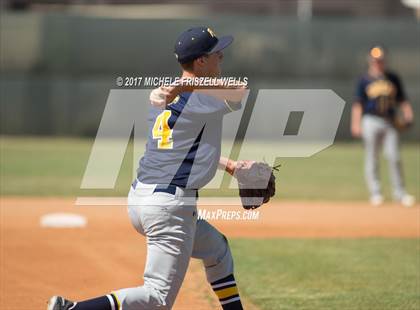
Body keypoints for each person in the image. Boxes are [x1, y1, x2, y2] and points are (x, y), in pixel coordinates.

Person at [47, 27, 251, 310]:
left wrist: (229, 166)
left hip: (143, 198)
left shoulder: (162, 94)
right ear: (201, 61)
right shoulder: (203, 97)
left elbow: (179, 148)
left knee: (217, 250)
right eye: (216, 52)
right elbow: (240, 90)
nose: (222, 56)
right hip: (169, 206)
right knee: (156, 297)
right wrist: (189, 87)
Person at [351, 46, 415, 207]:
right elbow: (358, 104)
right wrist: (356, 123)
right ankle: (375, 193)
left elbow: (402, 99)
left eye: (380, 60)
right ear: (370, 61)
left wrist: (408, 113)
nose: (378, 63)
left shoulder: (393, 78)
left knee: (394, 157)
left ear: (384, 61)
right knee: (372, 157)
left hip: (389, 121)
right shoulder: (364, 79)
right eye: (375, 60)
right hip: (370, 120)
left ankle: (400, 194)